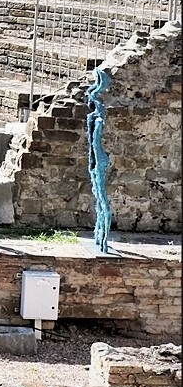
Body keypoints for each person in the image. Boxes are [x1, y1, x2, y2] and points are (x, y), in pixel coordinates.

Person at [86, 68, 114, 254]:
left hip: (100, 159)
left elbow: (95, 140)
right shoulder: (93, 116)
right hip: (96, 160)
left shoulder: (99, 116)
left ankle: (104, 239)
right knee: (97, 195)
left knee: (103, 201)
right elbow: (91, 143)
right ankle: (99, 232)